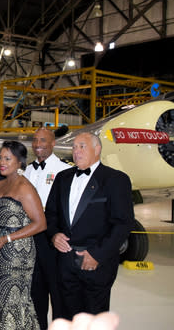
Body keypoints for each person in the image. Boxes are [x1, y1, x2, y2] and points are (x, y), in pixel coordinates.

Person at [45, 133, 133, 319]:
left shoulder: (115, 180)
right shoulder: (62, 178)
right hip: (65, 262)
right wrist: (54, 235)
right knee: (65, 316)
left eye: (82, 146)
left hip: (96, 265)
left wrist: (97, 255)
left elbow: (123, 224)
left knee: (93, 318)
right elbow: (51, 214)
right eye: (74, 147)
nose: (76, 151)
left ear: (97, 149)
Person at [0, 140, 46, 330]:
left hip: (17, 255)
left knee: (12, 301)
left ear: (20, 162)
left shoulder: (25, 188)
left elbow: (41, 223)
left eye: (8, 158)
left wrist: (7, 238)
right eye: (0, 157)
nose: (2, 162)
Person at [24, 128, 71, 329]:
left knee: (58, 294)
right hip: (29, 239)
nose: (38, 144)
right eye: (35, 140)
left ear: (53, 144)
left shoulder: (64, 170)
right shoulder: (27, 170)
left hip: (51, 239)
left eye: (43, 140)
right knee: (35, 293)